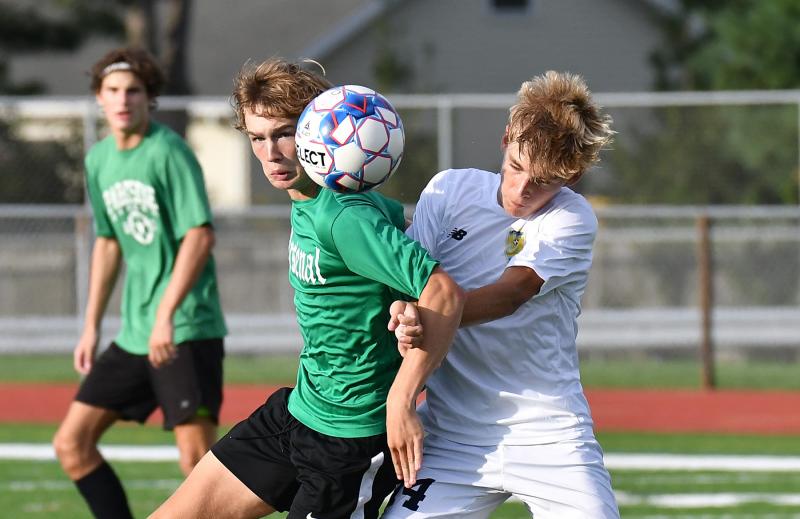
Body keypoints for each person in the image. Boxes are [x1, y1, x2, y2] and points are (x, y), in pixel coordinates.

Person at [149, 59, 465, 519]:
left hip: (349, 441)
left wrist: (402, 400)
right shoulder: (311, 201)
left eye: (283, 134)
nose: (271, 152)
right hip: (299, 410)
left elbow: (443, 292)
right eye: (257, 137)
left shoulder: (343, 214)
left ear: (317, 134)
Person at [382, 71, 620, 518]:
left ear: (573, 176)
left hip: (548, 434)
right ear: (506, 138)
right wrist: (404, 307)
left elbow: (510, 294)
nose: (521, 190)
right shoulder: (448, 189)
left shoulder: (572, 218)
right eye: (516, 167)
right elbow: (409, 280)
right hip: (453, 440)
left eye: (544, 182)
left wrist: (427, 316)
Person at [52, 47, 228, 519]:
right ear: (98, 98)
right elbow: (108, 242)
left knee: (197, 466)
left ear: (150, 99)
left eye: (134, 90)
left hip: (184, 329)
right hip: (134, 334)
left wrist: (166, 317)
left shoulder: (168, 151)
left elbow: (200, 235)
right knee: (72, 443)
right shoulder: (99, 160)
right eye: (112, 91)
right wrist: (90, 325)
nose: (123, 99)